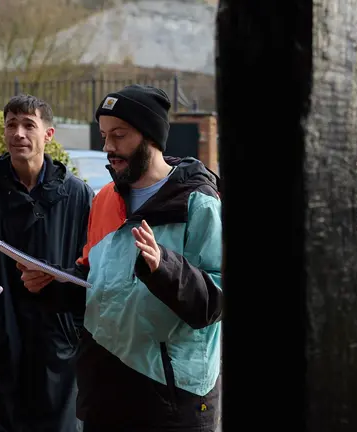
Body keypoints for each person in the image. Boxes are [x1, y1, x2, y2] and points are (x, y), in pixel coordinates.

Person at [19, 84, 224, 431]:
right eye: (104, 136)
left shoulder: (199, 203)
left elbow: (214, 302)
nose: (108, 147)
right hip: (104, 394)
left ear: (152, 138)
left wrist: (164, 268)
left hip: (171, 402)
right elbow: (98, 285)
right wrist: (52, 284)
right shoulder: (103, 199)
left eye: (120, 135)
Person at [0, 94, 94, 432]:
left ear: (48, 134)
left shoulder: (78, 195)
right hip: (0, 339)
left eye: (29, 125)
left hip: (58, 343)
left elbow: (91, 266)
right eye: (11, 125)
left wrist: (71, 326)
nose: (18, 133)